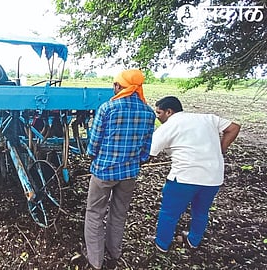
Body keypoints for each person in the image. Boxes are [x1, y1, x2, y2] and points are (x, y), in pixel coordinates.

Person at [84, 69, 156, 269]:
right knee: (119, 213)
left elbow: (93, 144)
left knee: (95, 214)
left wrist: (94, 156)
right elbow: (146, 148)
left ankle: (95, 261)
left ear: (118, 86)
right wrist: (136, 161)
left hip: (104, 172)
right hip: (129, 174)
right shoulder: (148, 112)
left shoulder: (108, 108)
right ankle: (114, 253)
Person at [149, 96, 240, 253]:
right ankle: (193, 241)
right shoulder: (208, 118)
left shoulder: (169, 125)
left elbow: (149, 153)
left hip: (184, 178)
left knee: (169, 213)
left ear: (169, 112)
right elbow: (234, 127)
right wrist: (221, 150)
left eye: (159, 113)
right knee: (201, 211)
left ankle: (162, 244)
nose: (158, 117)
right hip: (213, 177)